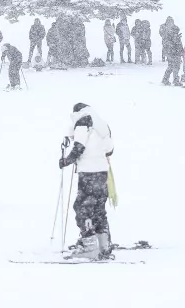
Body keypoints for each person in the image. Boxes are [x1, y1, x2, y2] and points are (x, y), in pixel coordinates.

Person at [59, 103, 115, 261]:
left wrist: (66, 160)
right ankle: (104, 245)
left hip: (88, 173)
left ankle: (89, 246)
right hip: (102, 173)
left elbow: (79, 146)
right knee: (98, 208)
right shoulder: (102, 125)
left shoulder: (82, 122)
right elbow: (110, 149)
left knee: (83, 208)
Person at [161, 20, 184, 86]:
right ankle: (175, 81)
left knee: (170, 67)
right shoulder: (173, 37)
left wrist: (182, 52)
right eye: (176, 31)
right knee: (176, 68)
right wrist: (180, 52)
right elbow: (176, 45)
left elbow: (179, 45)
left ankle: (165, 79)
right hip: (174, 54)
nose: (177, 32)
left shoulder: (171, 36)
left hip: (171, 54)